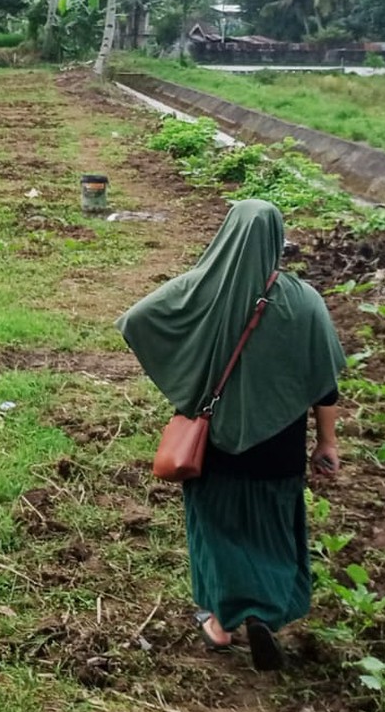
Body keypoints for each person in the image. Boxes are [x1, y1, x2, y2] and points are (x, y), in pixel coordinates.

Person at [117, 200, 346, 671]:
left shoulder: (198, 290)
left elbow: (137, 321)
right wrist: (327, 443)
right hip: (279, 448)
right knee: (274, 529)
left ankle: (221, 624)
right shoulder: (305, 302)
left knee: (216, 530)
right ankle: (263, 612)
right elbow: (325, 385)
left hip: (214, 441)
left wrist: (185, 380)